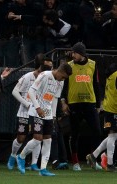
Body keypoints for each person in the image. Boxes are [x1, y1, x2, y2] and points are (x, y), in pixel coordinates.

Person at [17, 62, 72, 176]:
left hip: (48, 114)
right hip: (36, 111)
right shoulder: (44, 75)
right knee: (37, 139)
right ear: (60, 71)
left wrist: (53, 117)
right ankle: (21, 157)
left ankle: (43, 169)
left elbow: (55, 99)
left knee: (48, 140)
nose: (62, 80)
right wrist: (37, 107)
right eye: (63, 77)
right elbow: (31, 91)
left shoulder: (60, 82)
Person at [7, 53, 53, 171]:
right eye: (47, 67)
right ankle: (13, 156)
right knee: (20, 138)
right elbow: (14, 92)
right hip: (24, 112)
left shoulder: (48, 78)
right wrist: (26, 103)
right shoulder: (28, 77)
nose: (50, 70)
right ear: (40, 67)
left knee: (38, 137)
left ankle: (33, 163)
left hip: (39, 112)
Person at [60, 42, 102, 171]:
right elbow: (64, 85)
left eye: (75, 52)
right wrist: (63, 102)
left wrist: (99, 104)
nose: (73, 55)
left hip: (90, 103)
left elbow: (96, 84)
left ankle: (93, 159)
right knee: (75, 134)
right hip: (74, 104)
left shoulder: (93, 64)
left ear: (82, 54)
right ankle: (75, 162)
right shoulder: (70, 66)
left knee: (97, 132)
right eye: (72, 52)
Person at [86, 63, 117, 172]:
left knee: (113, 136)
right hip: (114, 109)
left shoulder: (111, 75)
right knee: (113, 135)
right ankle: (110, 164)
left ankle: (93, 156)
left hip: (110, 108)